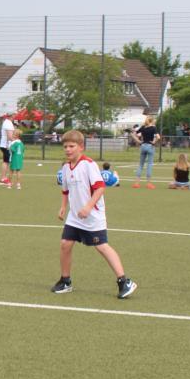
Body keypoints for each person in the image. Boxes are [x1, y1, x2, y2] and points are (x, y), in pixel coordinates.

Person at [53, 131, 137, 298]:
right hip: (74, 217)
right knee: (65, 244)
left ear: (81, 147)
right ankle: (65, 281)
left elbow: (100, 188)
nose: (68, 149)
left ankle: (124, 281)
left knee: (102, 246)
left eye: (72, 146)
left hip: (93, 216)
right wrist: (63, 207)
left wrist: (88, 207)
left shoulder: (89, 165)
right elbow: (66, 190)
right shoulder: (65, 167)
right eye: (65, 146)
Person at [132, 117, 159, 188]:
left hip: (143, 146)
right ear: (151, 121)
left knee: (141, 165)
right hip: (150, 146)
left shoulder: (143, 127)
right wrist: (154, 142)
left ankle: (137, 183)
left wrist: (139, 141)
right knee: (149, 164)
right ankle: (149, 183)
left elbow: (134, 134)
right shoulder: (153, 128)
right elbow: (158, 137)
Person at [0, 113, 16, 185]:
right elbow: (10, 136)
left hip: (5, 145)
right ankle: (3, 179)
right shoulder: (8, 123)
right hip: (6, 145)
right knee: (6, 162)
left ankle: (4, 178)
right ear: (11, 116)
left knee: (6, 161)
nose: (15, 116)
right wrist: (17, 141)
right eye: (14, 115)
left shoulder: (7, 122)